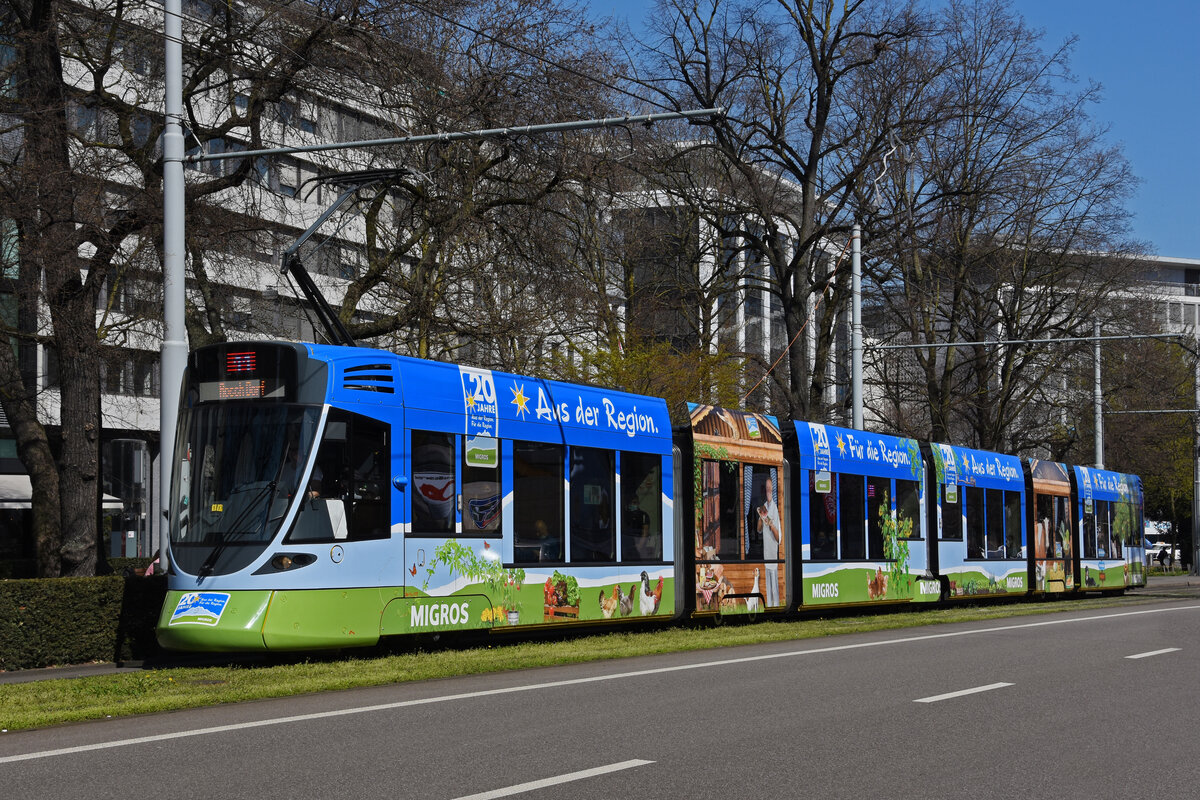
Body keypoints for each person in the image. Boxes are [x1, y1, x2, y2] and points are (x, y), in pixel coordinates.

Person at [756, 475, 781, 606]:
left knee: (774, 584)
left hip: (774, 554)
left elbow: (779, 538)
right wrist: (761, 517)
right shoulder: (764, 506)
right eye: (766, 489)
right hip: (766, 554)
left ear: (773, 490)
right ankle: (769, 606)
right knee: (767, 583)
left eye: (770, 489)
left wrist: (771, 525)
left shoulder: (775, 508)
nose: (768, 491)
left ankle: (776, 605)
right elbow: (758, 530)